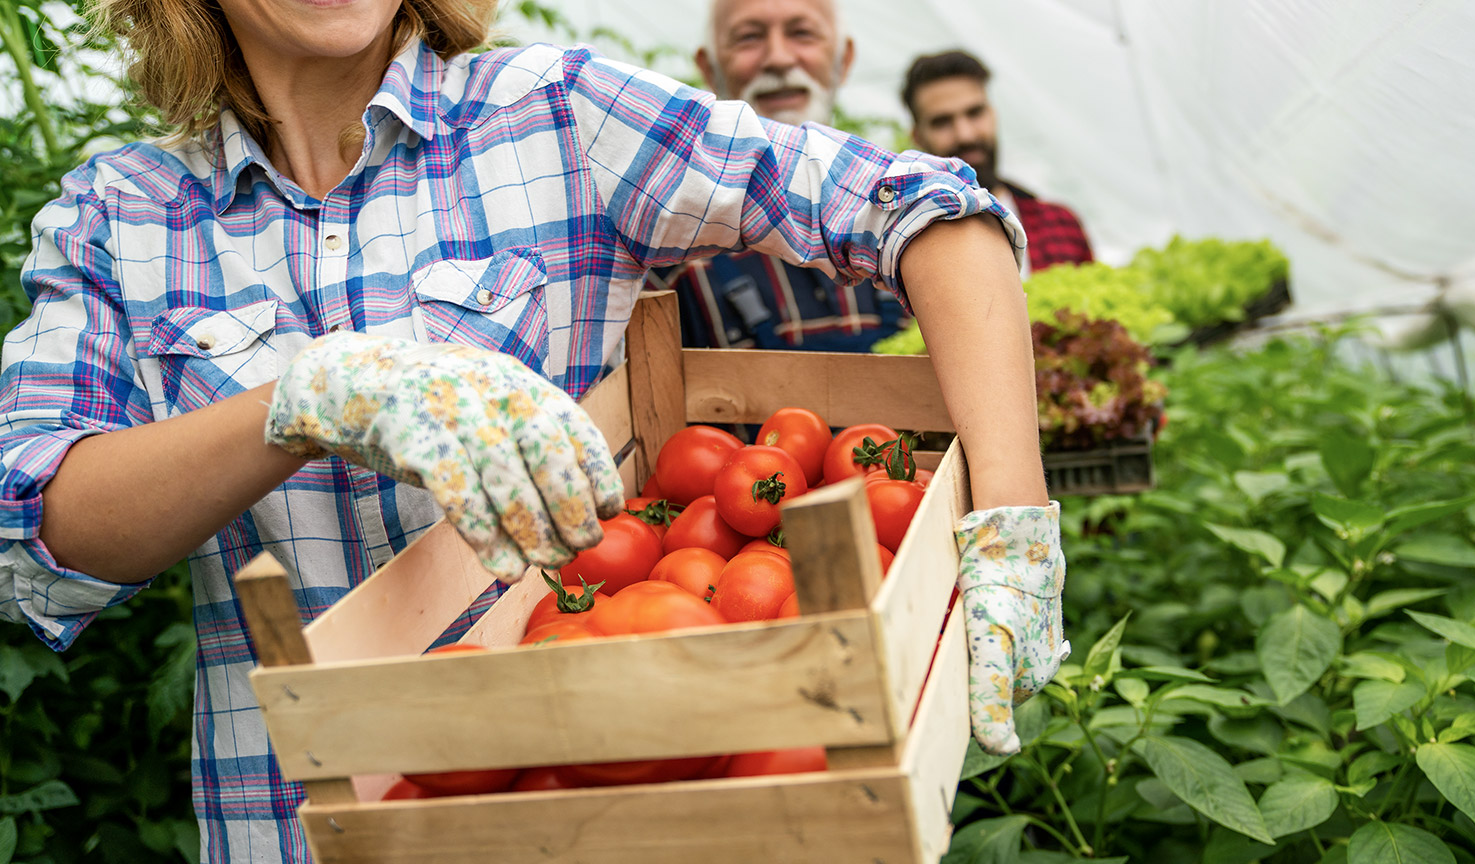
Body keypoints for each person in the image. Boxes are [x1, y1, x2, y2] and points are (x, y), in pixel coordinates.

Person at [0, 1, 1067, 861]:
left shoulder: (555, 114)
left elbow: (929, 210)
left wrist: (1012, 516)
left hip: (603, 806)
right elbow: (38, 539)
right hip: (294, 826)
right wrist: (304, 397)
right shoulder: (122, 216)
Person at [645, 0, 906, 351]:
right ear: (710, 68)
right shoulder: (669, 245)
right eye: (748, 37)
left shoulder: (902, 213)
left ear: (842, 60)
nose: (779, 58)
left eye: (802, 33)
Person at [903, 49, 1095, 273]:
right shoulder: (910, 241)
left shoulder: (1060, 223)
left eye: (974, 113)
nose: (965, 135)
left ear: (992, 114)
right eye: (942, 122)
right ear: (918, 137)